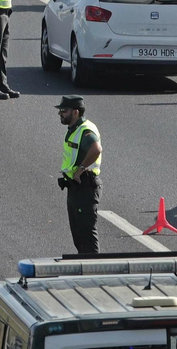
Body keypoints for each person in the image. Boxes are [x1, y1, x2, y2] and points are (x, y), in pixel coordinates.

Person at [55, 95, 101, 255]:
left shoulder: (85, 130)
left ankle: (94, 273)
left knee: (86, 236)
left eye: (64, 111)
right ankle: (84, 267)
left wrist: (80, 169)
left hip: (85, 186)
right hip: (75, 186)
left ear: (75, 112)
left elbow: (96, 149)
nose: (60, 114)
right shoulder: (75, 129)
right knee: (79, 236)